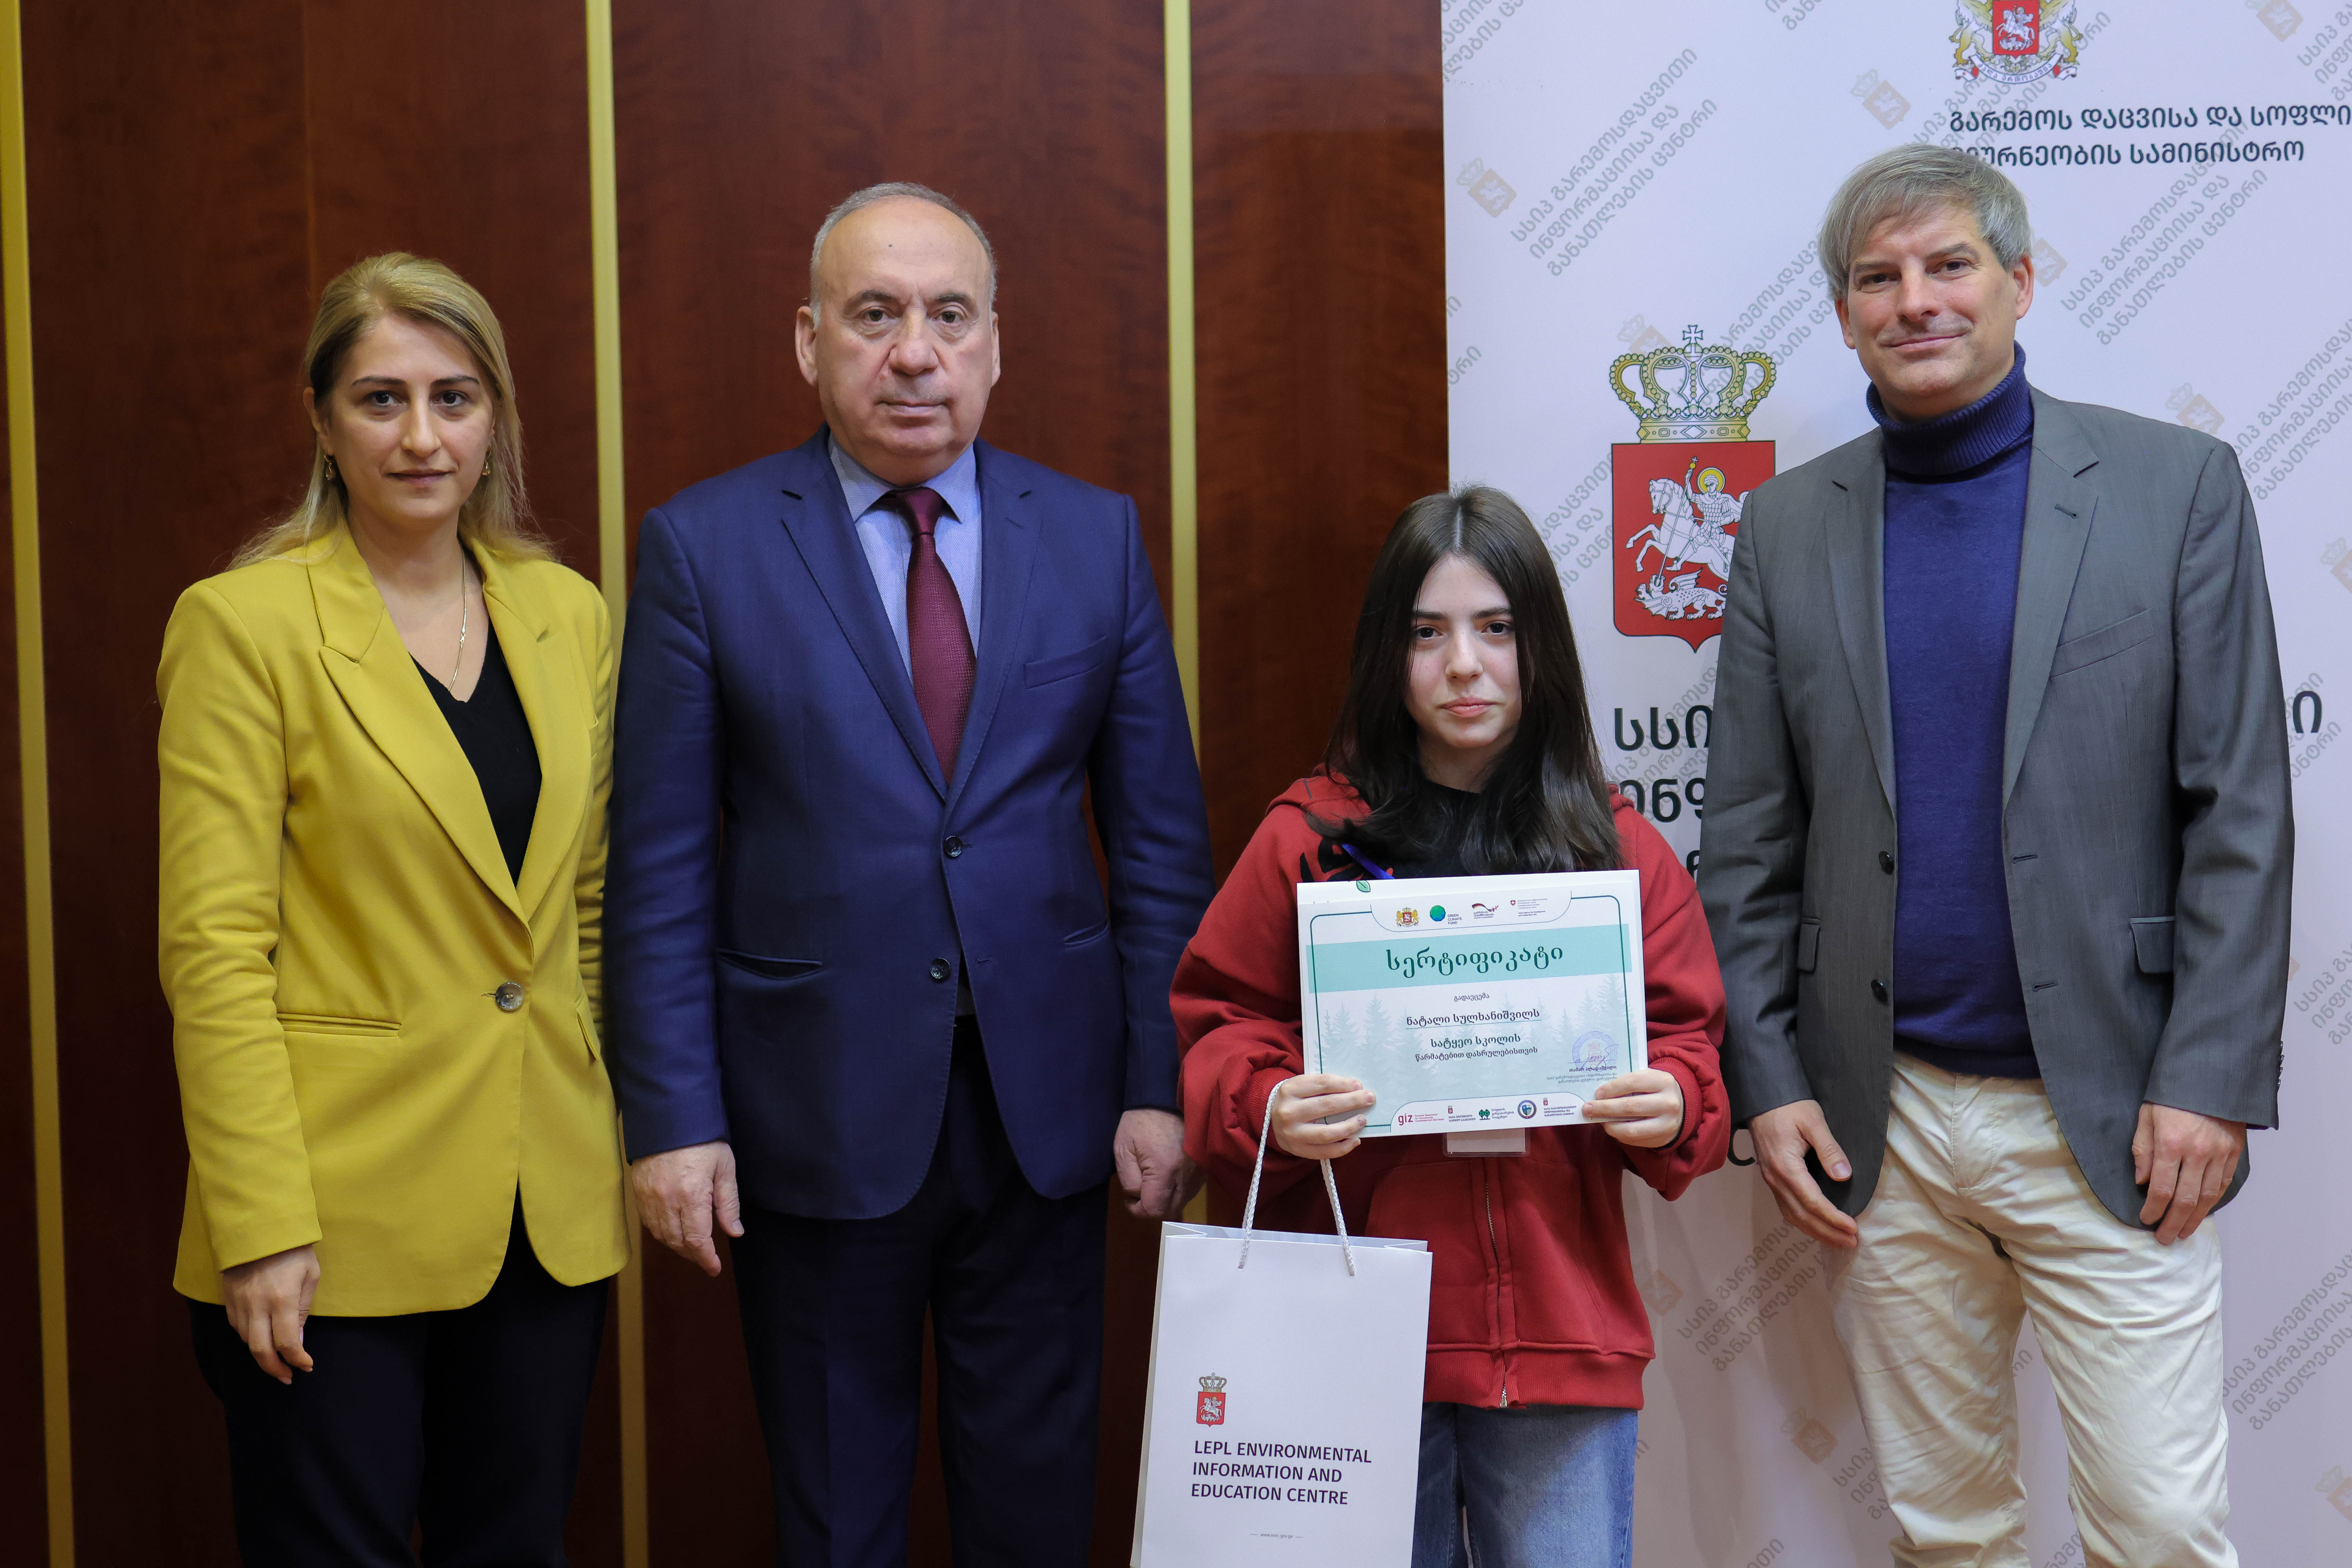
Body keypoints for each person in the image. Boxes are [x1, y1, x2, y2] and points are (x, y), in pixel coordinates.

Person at [604, 183, 1214, 1565]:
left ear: (996, 342)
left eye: (949, 315)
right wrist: (672, 1119)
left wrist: (1160, 1080)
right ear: (808, 341)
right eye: (874, 315)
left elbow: (1161, 847)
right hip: (809, 1116)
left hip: (1048, 1116)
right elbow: (659, 866)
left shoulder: (1095, 535)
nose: (915, 352)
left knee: (1036, 1515)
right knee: (838, 1523)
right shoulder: (704, 546)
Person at [1699, 146, 2290, 1568]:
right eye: (1878, 278)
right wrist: (1767, 1081)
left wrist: (2209, 1078)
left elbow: (2240, 811)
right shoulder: (1786, 525)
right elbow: (1749, 835)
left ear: (2023, 281)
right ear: (1844, 316)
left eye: (1950, 264)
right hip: (1884, 1115)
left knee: (2162, 1529)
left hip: (2120, 1112)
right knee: (1947, 1531)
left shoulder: (2176, 488)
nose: (1916, 301)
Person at [158, 252, 628, 1564]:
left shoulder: (568, 615)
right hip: (327, 1224)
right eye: (381, 399)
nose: (422, 436)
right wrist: (260, 1225)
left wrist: (607, 1123)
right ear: (322, 421)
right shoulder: (243, 627)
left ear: (495, 421)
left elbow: (587, 906)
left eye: (453, 398)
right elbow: (215, 953)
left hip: (543, 1215)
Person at [1174, 487, 1730, 1568]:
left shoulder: (1614, 852)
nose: (1464, 666)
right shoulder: (1308, 839)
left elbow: (1690, 1048)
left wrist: (1673, 1101)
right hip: (1352, 1338)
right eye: (1428, 634)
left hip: (1561, 1339)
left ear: (1542, 648)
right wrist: (1270, 1103)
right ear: (1387, 653)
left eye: (1497, 629)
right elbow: (1220, 1024)